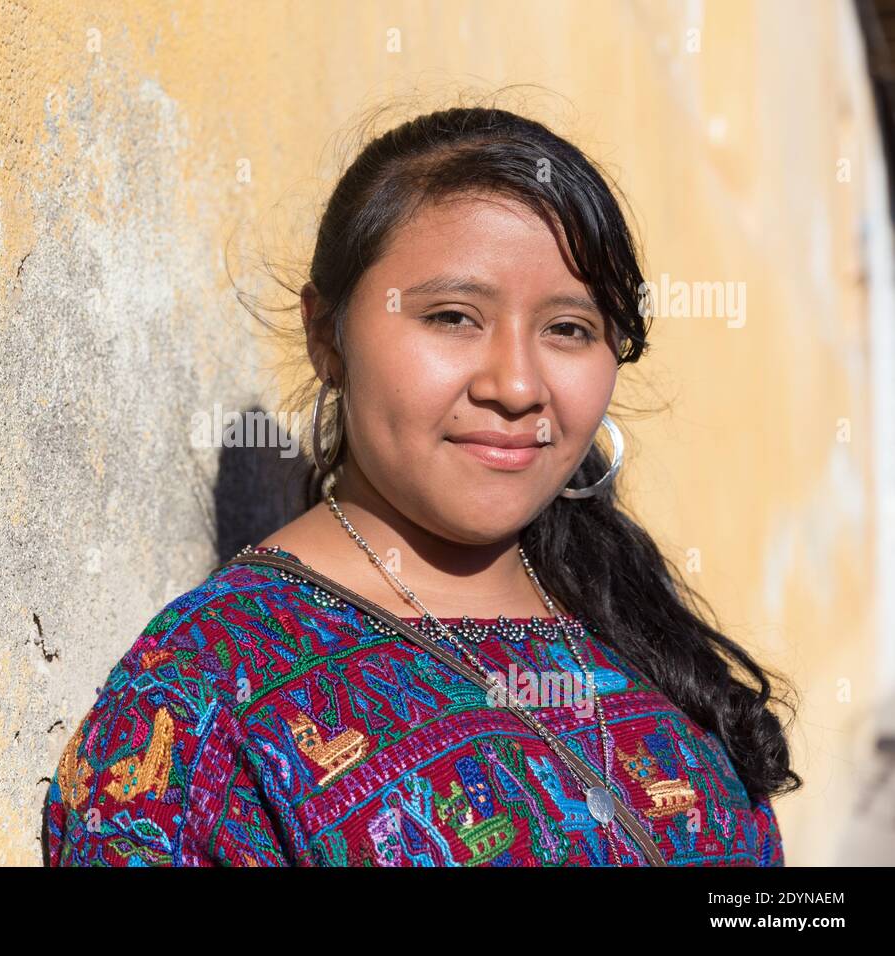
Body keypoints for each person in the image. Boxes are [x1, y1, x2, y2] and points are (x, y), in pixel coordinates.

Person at [44, 104, 800, 866]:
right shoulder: (205, 694)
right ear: (325, 337)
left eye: (569, 329)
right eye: (451, 316)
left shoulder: (626, 619)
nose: (516, 385)